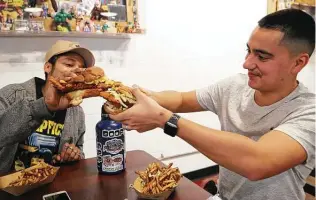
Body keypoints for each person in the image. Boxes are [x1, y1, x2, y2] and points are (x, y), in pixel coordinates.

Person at [109, 9, 315, 200]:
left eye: (261, 56)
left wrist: (163, 119)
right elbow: (181, 99)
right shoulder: (234, 86)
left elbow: (257, 162)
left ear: (298, 63)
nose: (247, 63)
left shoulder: (308, 112)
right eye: (248, 51)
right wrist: (129, 95)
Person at [0, 40, 95, 174]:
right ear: (48, 67)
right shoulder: (12, 95)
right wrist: (45, 106)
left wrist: (73, 155)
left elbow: (79, 150)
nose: (77, 71)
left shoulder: (76, 112)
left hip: (52, 186)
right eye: (69, 64)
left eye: (82, 68)